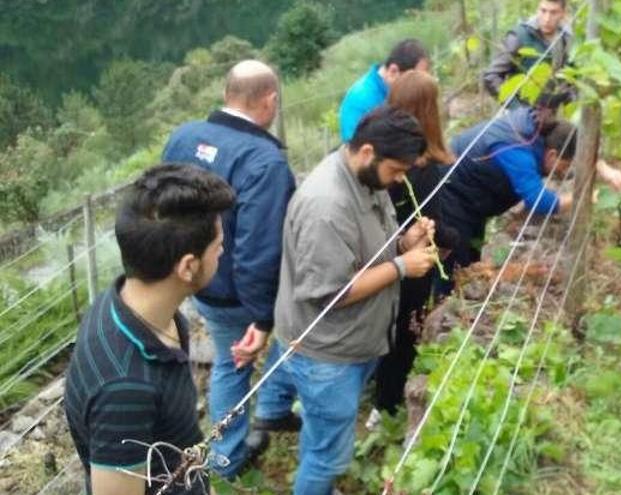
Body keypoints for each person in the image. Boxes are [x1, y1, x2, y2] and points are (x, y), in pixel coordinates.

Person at [273, 106, 437, 494]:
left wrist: (403, 242)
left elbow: (361, 252)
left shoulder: (365, 179)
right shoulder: (326, 205)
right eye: (396, 170)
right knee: (328, 455)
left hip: (354, 344)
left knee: (323, 436)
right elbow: (329, 294)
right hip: (327, 355)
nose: (399, 179)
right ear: (367, 152)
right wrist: (401, 266)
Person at [161, 59, 298, 478]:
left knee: (228, 361)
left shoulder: (183, 137)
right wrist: (262, 316)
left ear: (227, 94)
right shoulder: (264, 161)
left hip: (195, 281)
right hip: (241, 293)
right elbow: (259, 248)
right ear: (270, 100)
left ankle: (228, 456)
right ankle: (249, 435)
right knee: (293, 339)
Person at [63, 164, 235, 495]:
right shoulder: (124, 388)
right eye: (218, 246)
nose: (223, 252)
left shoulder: (130, 306)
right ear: (188, 266)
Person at [439, 107, 621, 286]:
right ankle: (437, 308)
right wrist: (585, 196)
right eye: (566, 165)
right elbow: (540, 201)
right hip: (450, 192)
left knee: (470, 259)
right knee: (453, 266)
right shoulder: (517, 152)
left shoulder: (540, 130)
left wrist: (603, 168)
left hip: (471, 194)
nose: (567, 171)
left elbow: (577, 138)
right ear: (553, 155)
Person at [367, 71, 460, 426]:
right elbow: (432, 224)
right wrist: (456, 241)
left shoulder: (384, 156)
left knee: (384, 326)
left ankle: (377, 391)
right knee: (404, 333)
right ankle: (387, 407)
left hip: (386, 250)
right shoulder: (422, 167)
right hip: (412, 259)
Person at [482, 0, 575, 108]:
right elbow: (491, 76)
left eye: (553, 12)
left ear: (563, 14)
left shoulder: (565, 37)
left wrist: (570, 99)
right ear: (537, 9)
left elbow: (569, 73)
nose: (547, 19)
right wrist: (517, 109)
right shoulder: (519, 36)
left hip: (550, 113)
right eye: (543, 11)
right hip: (522, 114)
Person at [338, 38, 431, 142]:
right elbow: (354, 150)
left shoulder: (400, 93)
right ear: (393, 71)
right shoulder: (360, 100)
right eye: (415, 80)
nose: (419, 86)